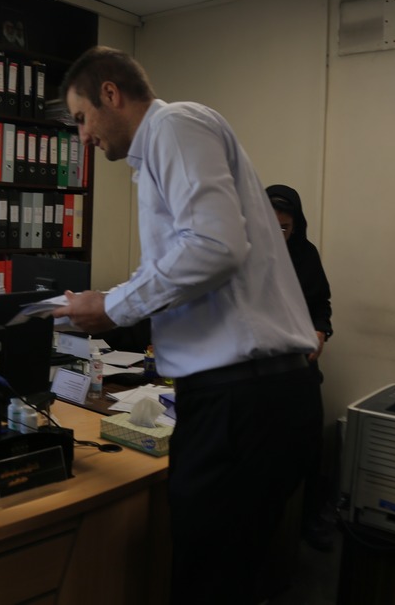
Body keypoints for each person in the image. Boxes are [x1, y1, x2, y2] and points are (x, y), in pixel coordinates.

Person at [54, 46, 321, 604]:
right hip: (243, 398)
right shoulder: (157, 154)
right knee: (216, 575)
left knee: (209, 582)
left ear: (110, 93)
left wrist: (113, 305)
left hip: (243, 401)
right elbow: (183, 261)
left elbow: (213, 247)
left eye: (81, 118)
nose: (82, 137)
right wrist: (102, 305)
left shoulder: (174, 125)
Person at [267, 183, 335, 550]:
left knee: (310, 442)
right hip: (255, 371)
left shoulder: (305, 255)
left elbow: (321, 304)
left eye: (284, 227)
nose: (277, 233)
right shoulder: (242, 252)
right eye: (269, 224)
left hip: (298, 365)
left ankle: (310, 517)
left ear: (296, 226)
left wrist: (320, 331)